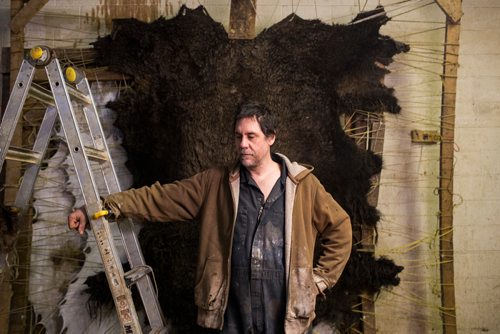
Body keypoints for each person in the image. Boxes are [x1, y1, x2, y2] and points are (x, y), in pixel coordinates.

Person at [68, 101, 352, 333]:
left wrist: (319, 281)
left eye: (251, 136)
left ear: (271, 138)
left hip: (283, 311)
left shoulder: (302, 185)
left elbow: (340, 227)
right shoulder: (215, 183)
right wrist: (104, 205)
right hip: (233, 309)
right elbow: (161, 198)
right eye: (238, 136)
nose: (242, 144)